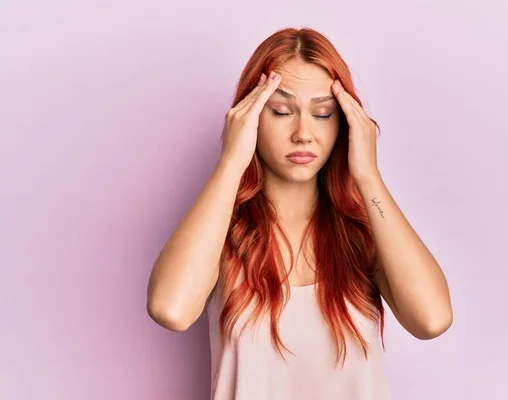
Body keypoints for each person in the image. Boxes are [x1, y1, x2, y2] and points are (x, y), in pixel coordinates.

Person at [146, 27, 453, 400]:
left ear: (344, 123)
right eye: (280, 110)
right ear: (250, 117)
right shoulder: (221, 232)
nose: (303, 133)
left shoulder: (365, 233)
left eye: (323, 113)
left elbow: (432, 320)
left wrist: (368, 177)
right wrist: (231, 161)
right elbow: (170, 309)